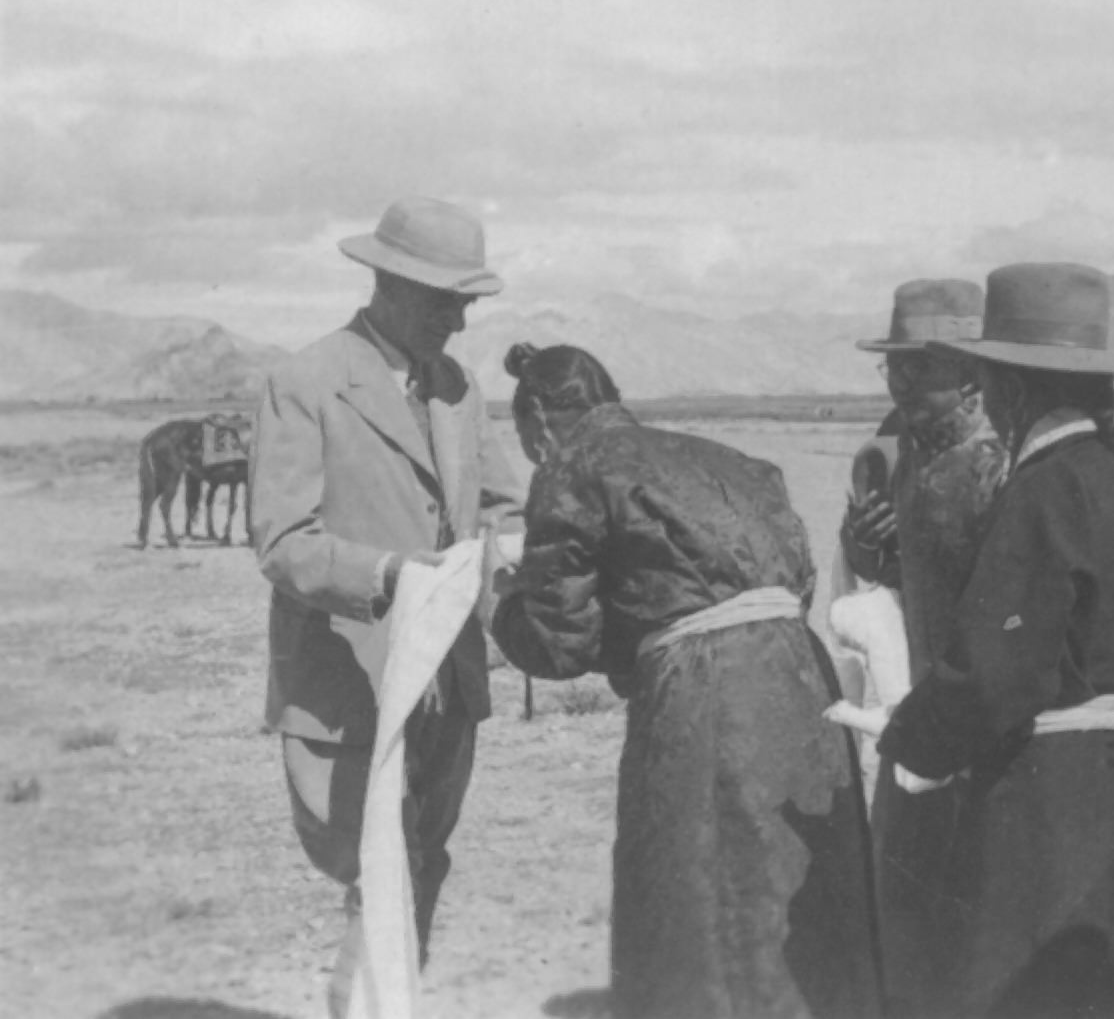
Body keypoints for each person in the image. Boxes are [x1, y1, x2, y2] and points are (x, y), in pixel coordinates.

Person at [483, 342, 882, 1019]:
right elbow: (795, 575)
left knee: (701, 904)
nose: (533, 458)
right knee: (798, 905)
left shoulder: (571, 462)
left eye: (530, 443)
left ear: (542, 422)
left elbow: (559, 643)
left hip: (707, 695)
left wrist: (498, 601)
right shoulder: (730, 460)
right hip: (800, 676)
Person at [876, 263, 1114, 1018]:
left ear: (1011, 386)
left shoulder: (1042, 495)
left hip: (1045, 804)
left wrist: (906, 741)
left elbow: (990, 677)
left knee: (1025, 986)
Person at [248, 195, 524, 1018]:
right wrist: (394, 575)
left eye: (467, 301)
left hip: (447, 682)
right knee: (374, 874)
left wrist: (507, 549)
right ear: (391, 284)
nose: (460, 320)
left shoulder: (456, 388)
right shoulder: (307, 383)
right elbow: (282, 543)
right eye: (447, 300)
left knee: (419, 866)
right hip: (346, 687)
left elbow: (502, 503)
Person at [839, 279, 1009, 1015]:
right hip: (918, 712)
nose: (901, 382)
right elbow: (898, 585)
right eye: (893, 366)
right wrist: (867, 553)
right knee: (908, 907)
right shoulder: (891, 453)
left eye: (920, 368)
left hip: (992, 719)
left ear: (971, 373)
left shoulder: (1009, 461)